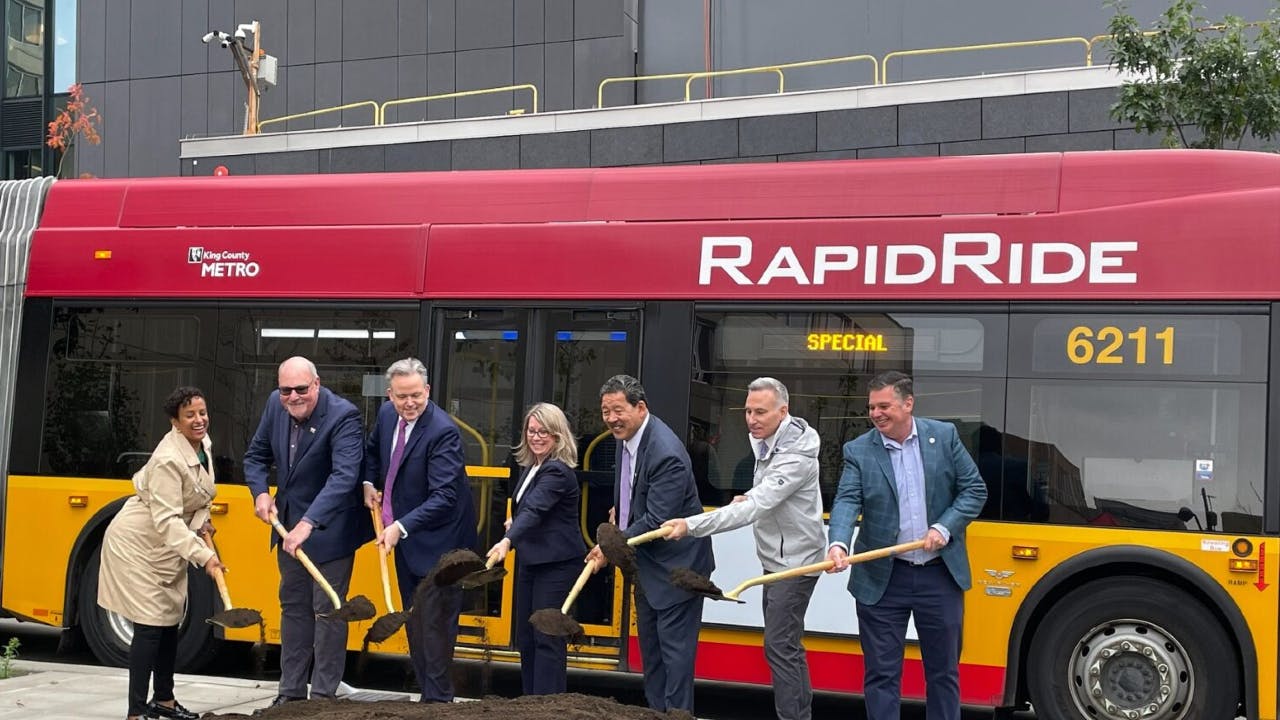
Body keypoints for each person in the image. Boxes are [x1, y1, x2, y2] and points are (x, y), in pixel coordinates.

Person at [826, 371, 987, 720]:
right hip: (882, 580)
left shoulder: (943, 437)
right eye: (871, 407)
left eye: (884, 405)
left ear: (908, 403)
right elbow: (847, 500)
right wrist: (838, 543)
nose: (876, 413)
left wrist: (944, 527)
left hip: (939, 576)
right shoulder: (858, 449)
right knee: (881, 674)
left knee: (943, 673)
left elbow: (974, 490)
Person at [662, 377, 824, 720]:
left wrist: (690, 525)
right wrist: (751, 495)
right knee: (783, 645)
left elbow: (759, 506)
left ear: (783, 411)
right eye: (748, 410)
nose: (751, 419)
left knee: (780, 646)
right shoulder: (765, 440)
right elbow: (764, 495)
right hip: (776, 559)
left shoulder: (796, 456)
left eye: (760, 412)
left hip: (796, 563)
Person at [244, 356, 371, 706]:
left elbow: (344, 477)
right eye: (286, 390)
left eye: (301, 389)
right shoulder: (275, 404)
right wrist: (259, 493)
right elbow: (255, 457)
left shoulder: (343, 416)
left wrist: (308, 523)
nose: (293, 397)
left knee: (329, 610)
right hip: (286, 527)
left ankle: (323, 699)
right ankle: (291, 693)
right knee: (294, 608)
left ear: (317, 383)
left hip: (329, 530)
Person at [585, 374, 714, 713]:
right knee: (652, 656)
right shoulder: (626, 438)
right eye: (605, 411)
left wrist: (610, 545)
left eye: (618, 410)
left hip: (676, 571)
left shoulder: (665, 452)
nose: (611, 419)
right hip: (646, 567)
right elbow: (633, 497)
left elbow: (656, 520)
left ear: (640, 408)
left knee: (674, 659)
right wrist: (620, 517)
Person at [98, 386, 224, 720]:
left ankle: (164, 701)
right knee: (150, 626)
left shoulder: (202, 445)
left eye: (202, 412)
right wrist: (205, 557)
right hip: (137, 544)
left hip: (166, 546)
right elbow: (168, 520)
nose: (199, 420)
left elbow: (197, 495)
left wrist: (203, 521)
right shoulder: (169, 458)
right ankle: (136, 712)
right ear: (175, 422)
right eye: (190, 416)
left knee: (169, 622)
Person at [362, 357, 476, 703]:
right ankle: (428, 695)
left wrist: (400, 526)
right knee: (415, 621)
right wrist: (369, 483)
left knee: (436, 626)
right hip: (407, 542)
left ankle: (439, 702)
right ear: (390, 395)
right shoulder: (386, 417)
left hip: (442, 546)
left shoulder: (442, 431)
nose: (409, 403)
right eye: (401, 396)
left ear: (427, 390)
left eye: (416, 395)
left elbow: (444, 496)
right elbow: (372, 454)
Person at [485, 402, 586, 695]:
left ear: (558, 436)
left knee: (547, 635)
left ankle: (548, 707)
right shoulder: (533, 466)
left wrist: (508, 540)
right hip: (532, 561)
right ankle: (530, 704)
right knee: (527, 637)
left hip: (557, 565)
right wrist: (513, 522)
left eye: (545, 432)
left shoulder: (557, 471)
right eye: (532, 430)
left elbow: (537, 509)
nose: (537, 437)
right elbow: (527, 509)